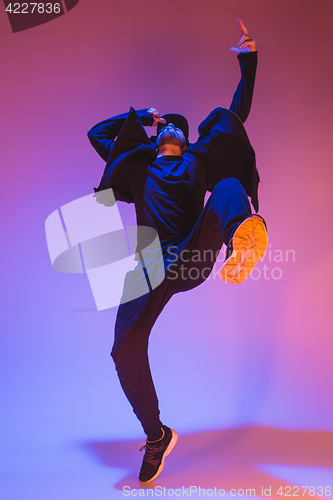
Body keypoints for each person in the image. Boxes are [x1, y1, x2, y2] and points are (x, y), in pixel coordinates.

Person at [87, 19, 267, 482]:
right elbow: (98, 135)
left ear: (187, 142)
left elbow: (235, 115)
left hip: (191, 253)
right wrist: (147, 116)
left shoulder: (198, 161)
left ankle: (240, 237)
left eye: (178, 133)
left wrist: (247, 62)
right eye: (165, 132)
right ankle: (156, 436)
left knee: (227, 184)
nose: (172, 136)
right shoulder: (139, 166)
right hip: (147, 266)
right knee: (123, 351)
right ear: (156, 139)